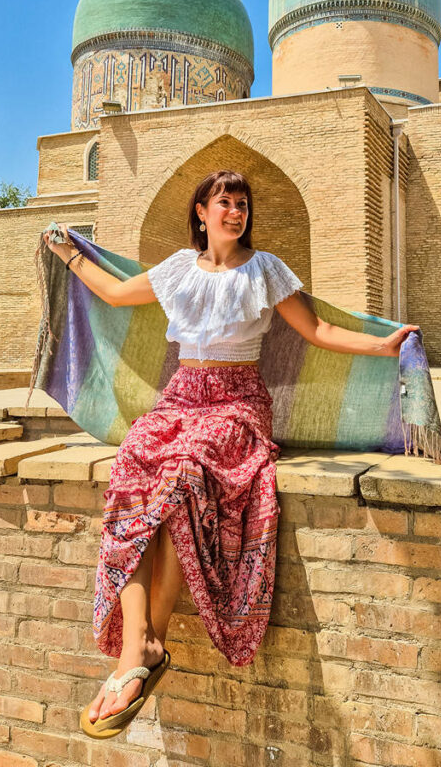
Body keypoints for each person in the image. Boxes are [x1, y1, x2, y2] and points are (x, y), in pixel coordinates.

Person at [43, 168, 419, 739]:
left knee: (186, 471)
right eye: (225, 202)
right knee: (134, 463)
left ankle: (146, 647)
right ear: (201, 211)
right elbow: (116, 294)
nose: (235, 212)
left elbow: (315, 331)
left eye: (242, 204)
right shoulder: (176, 269)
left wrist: (381, 344)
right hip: (180, 396)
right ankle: (137, 641)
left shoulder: (265, 270)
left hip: (236, 403)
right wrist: (68, 253)